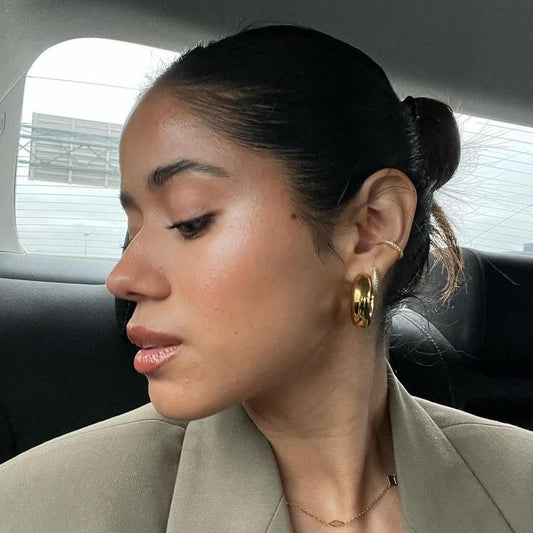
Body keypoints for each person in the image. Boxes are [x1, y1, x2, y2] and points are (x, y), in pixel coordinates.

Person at [0, 24, 531, 533]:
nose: (121, 277)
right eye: (132, 233)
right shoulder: (35, 508)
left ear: (372, 229)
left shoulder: (519, 486)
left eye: (188, 220)